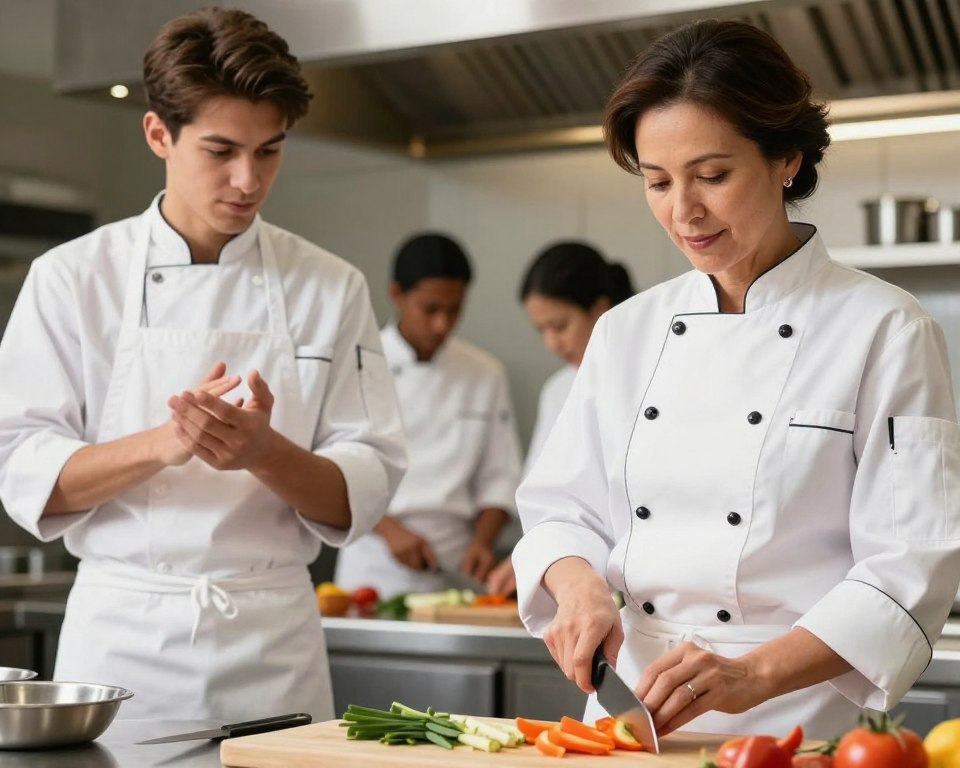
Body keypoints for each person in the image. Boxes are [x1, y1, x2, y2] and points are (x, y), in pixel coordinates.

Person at [513, 18, 960, 740]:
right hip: (624, 726)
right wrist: (579, 588)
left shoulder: (886, 329)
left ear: (785, 156)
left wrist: (750, 675)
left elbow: (909, 564)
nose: (683, 211)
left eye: (712, 176)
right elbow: (562, 510)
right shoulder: (627, 331)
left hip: (794, 729)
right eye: (657, 182)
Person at [0, 7, 406, 721]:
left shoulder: (329, 285)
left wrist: (264, 452)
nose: (248, 180)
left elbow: (363, 489)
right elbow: (22, 471)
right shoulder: (72, 279)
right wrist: (167, 443)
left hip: (272, 643)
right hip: (122, 646)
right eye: (221, 151)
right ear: (159, 133)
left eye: (269, 151)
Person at [335, 233, 523, 599]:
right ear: (396, 294)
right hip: (372, 567)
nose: (443, 324)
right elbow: (333, 467)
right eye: (430, 309)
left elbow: (500, 476)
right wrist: (389, 530)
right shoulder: (355, 364)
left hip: (454, 568)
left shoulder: (485, 372)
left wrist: (483, 543)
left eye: (454, 310)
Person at [484, 241, 636, 596]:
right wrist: (535, 557)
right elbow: (547, 498)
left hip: (637, 577)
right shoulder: (557, 389)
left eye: (560, 325)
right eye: (541, 330)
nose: (552, 342)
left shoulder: (645, 374)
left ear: (600, 310)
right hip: (576, 580)